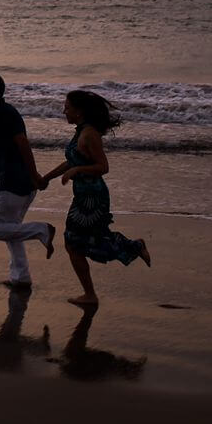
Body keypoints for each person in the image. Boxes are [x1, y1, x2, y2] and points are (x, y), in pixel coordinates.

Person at [41, 90, 151, 305]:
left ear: (79, 111)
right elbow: (71, 161)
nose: (64, 110)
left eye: (67, 107)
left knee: (80, 242)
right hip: (82, 196)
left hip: (94, 198)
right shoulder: (80, 131)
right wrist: (48, 177)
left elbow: (103, 167)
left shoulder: (89, 134)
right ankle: (91, 292)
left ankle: (133, 248)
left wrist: (77, 171)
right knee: (78, 242)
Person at [0, 72, 55, 289]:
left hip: (14, 183)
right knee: (12, 230)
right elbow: (10, 141)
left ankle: (42, 230)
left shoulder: (3, 113)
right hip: (20, 182)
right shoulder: (0, 112)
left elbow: (23, 143)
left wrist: (35, 175)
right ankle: (21, 277)